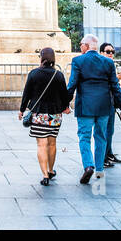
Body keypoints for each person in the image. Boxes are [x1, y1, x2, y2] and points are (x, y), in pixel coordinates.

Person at [66, 34, 121, 184]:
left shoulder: (78, 61)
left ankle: (88, 166)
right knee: (101, 137)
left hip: (85, 106)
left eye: (81, 44)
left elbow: (72, 84)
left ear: (87, 46)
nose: (80, 46)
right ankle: (99, 170)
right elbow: (115, 87)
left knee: (84, 137)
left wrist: (64, 104)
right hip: (104, 106)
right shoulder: (108, 62)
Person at [18, 47, 73, 185]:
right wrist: (66, 106)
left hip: (38, 115)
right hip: (55, 115)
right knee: (52, 143)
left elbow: (27, 94)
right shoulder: (58, 75)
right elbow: (64, 95)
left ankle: (44, 176)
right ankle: (51, 169)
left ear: (41, 58)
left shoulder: (34, 74)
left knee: (41, 145)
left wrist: (22, 109)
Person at [98, 42, 121, 166]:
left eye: (112, 52)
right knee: (105, 132)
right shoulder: (100, 65)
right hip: (103, 102)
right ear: (101, 53)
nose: (111, 54)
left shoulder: (111, 65)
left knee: (110, 130)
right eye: (108, 51)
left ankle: (109, 154)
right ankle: (103, 157)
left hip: (111, 102)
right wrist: (116, 78)